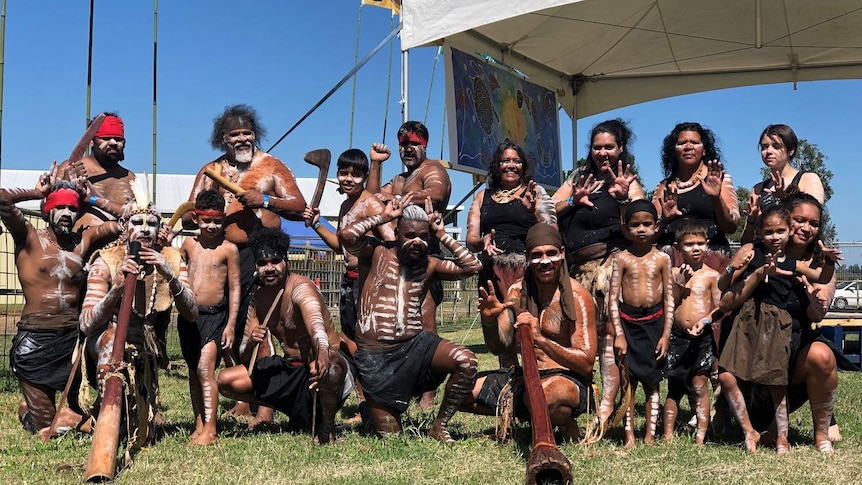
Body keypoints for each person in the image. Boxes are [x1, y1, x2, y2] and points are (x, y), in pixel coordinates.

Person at [185, 104, 307, 424]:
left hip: (261, 253)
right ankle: (243, 400)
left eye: (246, 133)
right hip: (222, 256)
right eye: (233, 134)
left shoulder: (271, 167)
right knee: (227, 326)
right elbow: (188, 213)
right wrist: (204, 212)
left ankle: (265, 408)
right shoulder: (210, 170)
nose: (241, 139)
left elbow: (298, 206)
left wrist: (264, 200)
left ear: (255, 135)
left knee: (258, 326)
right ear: (222, 140)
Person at [339, 194, 481, 443]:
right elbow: (347, 236)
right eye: (409, 236)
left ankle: (439, 427)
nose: (417, 242)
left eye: (423, 237)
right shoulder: (376, 252)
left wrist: (440, 233)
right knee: (392, 437)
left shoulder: (430, 264)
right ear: (397, 232)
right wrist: (383, 217)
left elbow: (472, 266)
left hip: (415, 347)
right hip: (376, 356)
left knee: (466, 362)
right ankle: (372, 411)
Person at [2, 168, 119, 437]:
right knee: (47, 429)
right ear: (47, 211)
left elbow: (128, 220)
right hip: (34, 342)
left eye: (72, 208)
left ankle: (55, 411)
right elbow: (2, 198)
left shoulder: (84, 239)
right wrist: (37, 192)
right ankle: (29, 410)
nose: (66, 213)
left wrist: (91, 199)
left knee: (73, 421)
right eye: (60, 207)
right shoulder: (28, 237)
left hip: (71, 342)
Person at [80, 188, 197, 448]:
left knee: (144, 434)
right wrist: (117, 289)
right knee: (111, 343)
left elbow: (192, 312)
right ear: (124, 226)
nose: (145, 230)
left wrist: (169, 274)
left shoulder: (172, 259)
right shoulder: (106, 260)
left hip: (144, 348)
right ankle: (106, 414)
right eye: (137, 222)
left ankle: (133, 413)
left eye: (151, 224)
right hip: (104, 343)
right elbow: (86, 323)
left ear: (159, 229)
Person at [717, 204, 839, 454]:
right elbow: (724, 290)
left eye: (780, 231)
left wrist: (827, 260)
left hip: (778, 331)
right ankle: (749, 429)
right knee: (726, 375)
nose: (776, 236)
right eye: (769, 231)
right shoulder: (752, 252)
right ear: (760, 232)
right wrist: (744, 269)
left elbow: (822, 278)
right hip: (748, 327)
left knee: (778, 382)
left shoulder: (793, 263)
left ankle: (784, 436)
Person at [551, 119, 645, 436]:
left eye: (609, 147)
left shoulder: (628, 180)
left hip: (609, 269)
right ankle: (580, 403)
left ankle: (605, 409)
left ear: (620, 149)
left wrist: (621, 199)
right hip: (577, 272)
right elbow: (548, 210)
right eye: (597, 147)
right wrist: (572, 201)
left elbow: (641, 221)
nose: (602, 153)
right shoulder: (580, 177)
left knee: (606, 340)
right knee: (577, 338)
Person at [464, 223, 596, 442]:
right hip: (526, 379)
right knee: (461, 392)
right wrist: (488, 321)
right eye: (537, 255)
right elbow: (500, 345)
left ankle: (561, 420)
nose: (545, 261)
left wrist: (540, 340)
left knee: (543, 395)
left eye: (551, 253)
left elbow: (586, 363)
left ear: (561, 253)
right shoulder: (516, 291)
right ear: (527, 257)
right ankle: (536, 414)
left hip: (569, 381)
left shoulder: (579, 297)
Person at [216, 228, 350, 444]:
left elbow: (318, 332)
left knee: (327, 366)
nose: (269, 268)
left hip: (324, 369)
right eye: (262, 263)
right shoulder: (258, 298)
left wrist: (323, 356)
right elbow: (243, 353)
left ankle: (327, 428)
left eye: (275, 261)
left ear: (285, 261)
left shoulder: (301, 288)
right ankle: (294, 412)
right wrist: (251, 343)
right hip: (291, 371)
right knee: (226, 381)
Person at [304, 146, 395, 423]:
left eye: (356, 174)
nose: (348, 179)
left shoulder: (371, 204)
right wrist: (318, 225)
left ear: (366, 177)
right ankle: (365, 403)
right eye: (344, 173)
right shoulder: (346, 205)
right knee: (352, 343)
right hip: (349, 282)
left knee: (365, 345)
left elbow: (390, 242)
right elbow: (340, 246)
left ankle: (375, 404)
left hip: (368, 282)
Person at [366, 121, 453, 409]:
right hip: (400, 258)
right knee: (402, 321)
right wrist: (376, 165)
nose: (407, 149)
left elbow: (435, 195)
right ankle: (401, 385)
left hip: (425, 257)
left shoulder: (432, 170)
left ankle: (427, 396)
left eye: (413, 144)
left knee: (425, 321)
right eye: (403, 144)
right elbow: (373, 197)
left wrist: (394, 198)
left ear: (424, 145)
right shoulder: (401, 178)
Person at [466, 139, 556, 367]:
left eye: (516, 161)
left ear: (523, 166)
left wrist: (534, 211)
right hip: (493, 272)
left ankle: (536, 383)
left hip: (525, 272)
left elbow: (552, 232)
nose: (510, 165)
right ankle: (509, 385)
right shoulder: (482, 197)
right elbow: (471, 240)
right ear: (497, 165)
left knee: (528, 329)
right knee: (500, 334)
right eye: (505, 160)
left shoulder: (535, 192)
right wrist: (483, 240)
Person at [608, 200, 673, 448]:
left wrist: (666, 334)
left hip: (655, 323)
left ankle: (650, 435)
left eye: (647, 224)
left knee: (652, 380)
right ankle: (629, 436)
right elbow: (613, 300)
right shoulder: (621, 259)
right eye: (635, 225)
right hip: (627, 322)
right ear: (626, 229)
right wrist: (619, 335)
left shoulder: (663, 259)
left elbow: (668, 299)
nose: (642, 229)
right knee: (629, 381)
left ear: (657, 226)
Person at [178, 190, 241, 445]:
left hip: (215, 317)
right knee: (194, 371)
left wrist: (231, 325)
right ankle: (199, 422)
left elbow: (235, 288)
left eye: (217, 221)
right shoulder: (188, 245)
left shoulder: (229, 250)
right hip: (189, 318)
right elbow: (174, 269)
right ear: (196, 219)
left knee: (206, 368)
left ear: (223, 220)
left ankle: (211, 429)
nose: (212, 226)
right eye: (207, 221)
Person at [662, 221, 721, 446]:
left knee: (699, 385)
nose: (695, 248)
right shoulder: (673, 273)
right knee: (674, 387)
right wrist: (680, 283)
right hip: (677, 337)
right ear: (678, 248)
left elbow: (719, 307)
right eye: (689, 244)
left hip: (702, 339)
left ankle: (700, 437)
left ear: (707, 245)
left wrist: (705, 322)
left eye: (700, 243)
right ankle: (667, 435)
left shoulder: (712, 276)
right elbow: (669, 303)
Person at [652, 122, 740, 271]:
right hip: (670, 263)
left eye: (694, 142)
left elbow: (731, 226)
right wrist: (665, 219)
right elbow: (650, 235)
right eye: (681, 143)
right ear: (673, 150)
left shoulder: (720, 179)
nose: (688, 147)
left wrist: (716, 198)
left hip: (711, 262)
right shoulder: (663, 187)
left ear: (704, 150)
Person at [739, 124, 826, 244]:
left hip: (797, 256)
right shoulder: (758, 189)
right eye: (764, 147)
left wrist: (785, 199)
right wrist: (752, 221)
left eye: (776, 146)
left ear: (791, 150)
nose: (768, 151)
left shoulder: (808, 179)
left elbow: (813, 221)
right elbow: (746, 240)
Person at [57, 113, 134, 231]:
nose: (113, 143)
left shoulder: (130, 178)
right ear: (92, 141)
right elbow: (48, 212)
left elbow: (138, 215)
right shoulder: (70, 168)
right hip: (79, 246)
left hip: (119, 247)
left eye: (118, 139)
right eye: (106, 138)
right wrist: (67, 181)